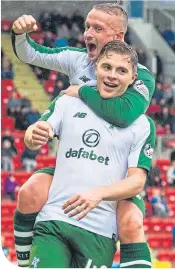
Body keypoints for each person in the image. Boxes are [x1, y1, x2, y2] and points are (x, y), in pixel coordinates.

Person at [12, 3, 155, 268]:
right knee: (31, 190)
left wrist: (80, 90)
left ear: (118, 37)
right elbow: (30, 53)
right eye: (87, 25)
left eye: (97, 28)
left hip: (115, 179)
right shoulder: (77, 59)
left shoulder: (141, 77)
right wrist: (20, 34)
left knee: (131, 221)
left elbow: (124, 114)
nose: (88, 33)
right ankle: (23, 262)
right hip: (77, 166)